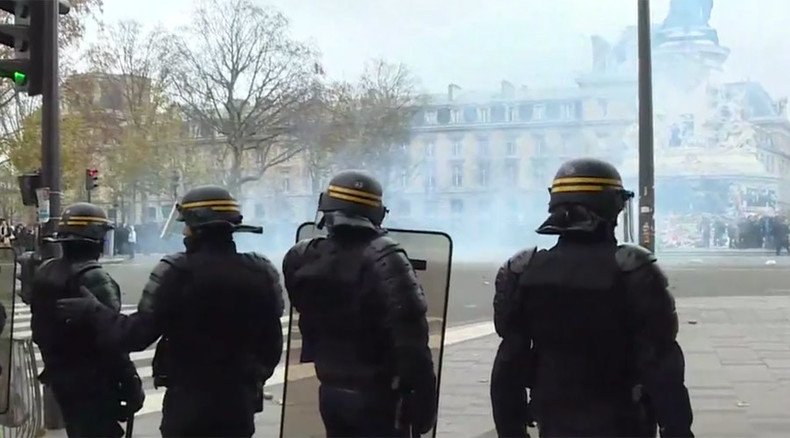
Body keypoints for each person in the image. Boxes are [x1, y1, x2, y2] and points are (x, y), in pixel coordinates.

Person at [55, 186, 283, 438]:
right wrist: (248, 380)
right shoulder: (263, 272)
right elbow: (271, 346)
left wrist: (94, 311)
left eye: (186, 225)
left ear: (196, 228)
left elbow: (134, 336)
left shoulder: (175, 271)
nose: (184, 231)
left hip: (188, 403)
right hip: (239, 403)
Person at [490, 158, 694, 438]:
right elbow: (662, 366)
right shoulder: (633, 269)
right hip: (622, 419)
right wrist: (678, 431)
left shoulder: (523, 269)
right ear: (613, 207)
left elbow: (508, 365)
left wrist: (510, 431)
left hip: (553, 418)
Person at [282, 170, 437, 437]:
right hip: (379, 395)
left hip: (330, 389)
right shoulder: (385, 254)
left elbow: (308, 315)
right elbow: (411, 339)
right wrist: (423, 399)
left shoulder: (302, 256)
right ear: (376, 211)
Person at [29, 202, 143, 438]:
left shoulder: (46, 271)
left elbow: (39, 330)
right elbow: (113, 338)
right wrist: (131, 381)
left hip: (61, 376)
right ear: (97, 239)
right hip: (95, 382)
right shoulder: (95, 278)